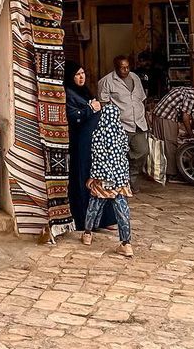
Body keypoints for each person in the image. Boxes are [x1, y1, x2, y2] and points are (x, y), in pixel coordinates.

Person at [63, 64, 115, 232]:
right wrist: (90, 109)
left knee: (99, 177)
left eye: (83, 73)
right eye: (77, 74)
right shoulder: (68, 94)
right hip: (81, 145)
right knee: (84, 180)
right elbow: (72, 117)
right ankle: (86, 220)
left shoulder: (85, 92)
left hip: (94, 144)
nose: (81, 77)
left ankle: (103, 218)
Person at [83, 102, 134, 257]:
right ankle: (126, 243)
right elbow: (125, 152)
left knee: (94, 205)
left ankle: (87, 234)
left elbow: (97, 158)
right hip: (119, 179)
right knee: (122, 211)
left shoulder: (98, 134)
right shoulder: (121, 134)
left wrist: (92, 177)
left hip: (103, 179)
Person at [97, 55, 148, 176]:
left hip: (138, 123)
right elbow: (103, 105)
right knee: (118, 155)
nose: (126, 70)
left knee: (142, 151)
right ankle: (123, 182)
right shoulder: (106, 81)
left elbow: (141, 98)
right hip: (120, 126)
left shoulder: (135, 77)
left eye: (127, 67)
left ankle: (132, 175)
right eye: (122, 68)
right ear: (116, 68)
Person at [151, 82, 194, 177]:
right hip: (165, 116)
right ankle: (171, 174)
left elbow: (193, 115)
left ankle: (159, 172)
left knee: (160, 144)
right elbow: (186, 117)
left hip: (159, 114)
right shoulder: (191, 96)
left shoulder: (188, 90)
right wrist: (191, 134)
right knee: (170, 144)